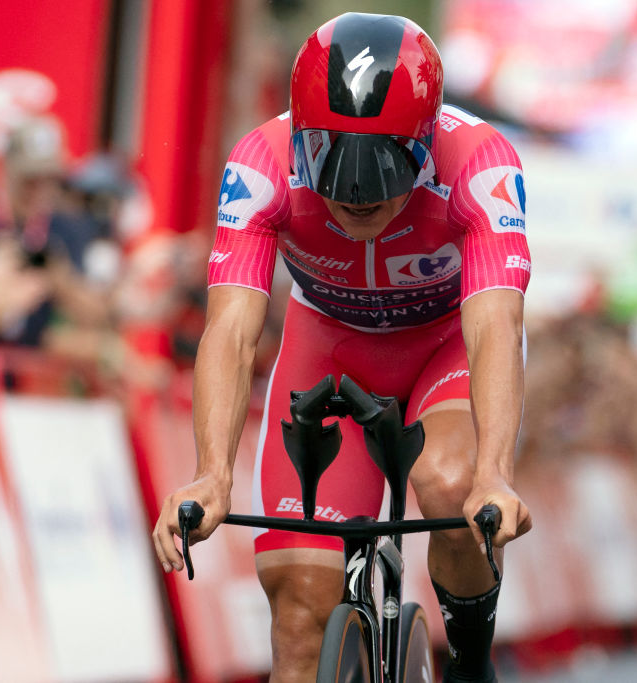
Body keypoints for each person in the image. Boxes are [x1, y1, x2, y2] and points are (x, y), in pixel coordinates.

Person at [152, 13, 533, 682]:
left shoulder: (480, 161)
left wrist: (494, 472)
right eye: (330, 163)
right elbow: (232, 330)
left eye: (385, 169)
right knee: (300, 615)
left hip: (446, 349)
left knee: (448, 483)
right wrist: (211, 472)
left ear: (425, 140)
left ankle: (471, 656)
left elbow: (495, 324)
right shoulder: (260, 162)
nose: (357, 194)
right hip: (327, 350)